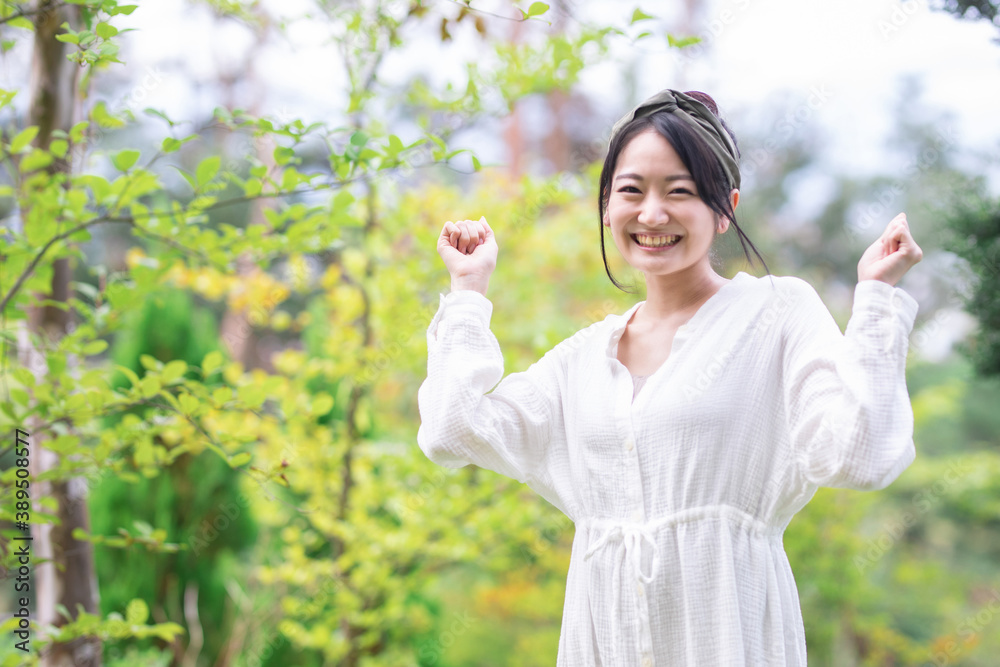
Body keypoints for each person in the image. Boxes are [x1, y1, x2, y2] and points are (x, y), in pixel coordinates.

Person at [416, 88, 923, 666]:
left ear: (726, 208)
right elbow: (451, 431)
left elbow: (859, 455)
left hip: (728, 637)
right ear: (607, 205)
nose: (652, 214)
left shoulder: (775, 314)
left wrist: (877, 300)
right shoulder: (582, 359)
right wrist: (467, 293)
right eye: (631, 191)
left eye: (679, 192)